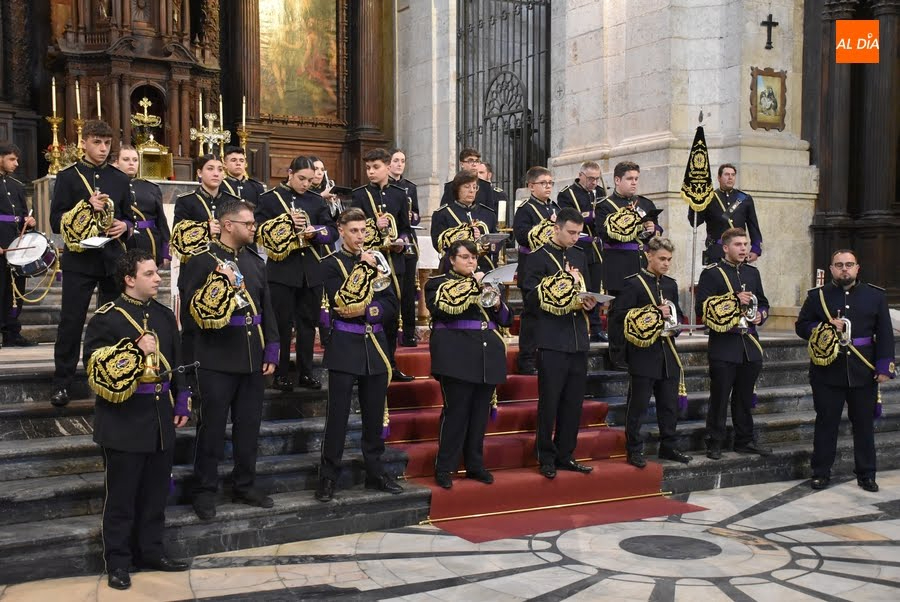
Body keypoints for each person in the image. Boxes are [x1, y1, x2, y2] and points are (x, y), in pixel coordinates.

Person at [82, 249, 191, 590]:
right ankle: (118, 561)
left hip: (160, 418)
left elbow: (176, 361)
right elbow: (95, 370)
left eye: (157, 272)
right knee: (122, 499)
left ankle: (151, 551)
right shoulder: (106, 318)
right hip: (123, 421)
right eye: (149, 273)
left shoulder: (163, 315)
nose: (158, 278)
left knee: (156, 494)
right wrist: (134, 349)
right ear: (129, 279)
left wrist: (182, 400)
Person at [180, 198, 279, 519]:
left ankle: (244, 485)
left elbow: (266, 306)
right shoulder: (201, 260)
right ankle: (204, 490)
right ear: (227, 225)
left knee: (248, 428)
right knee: (211, 430)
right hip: (216, 357)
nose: (253, 228)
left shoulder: (254, 262)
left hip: (252, 357)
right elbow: (191, 315)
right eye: (248, 223)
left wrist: (272, 345)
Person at [315, 208, 403, 501]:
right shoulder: (330, 263)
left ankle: (375, 473)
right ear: (341, 231)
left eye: (364, 231)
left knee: (374, 415)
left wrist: (369, 311)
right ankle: (328, 477)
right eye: (354, 231)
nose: (360, 236)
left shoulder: (377, 260)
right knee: (337, 417)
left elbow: (390, 302)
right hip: (344, 344)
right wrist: (363, 270)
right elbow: (341, 302)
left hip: (374, 345)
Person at [796, 250, 896, 492]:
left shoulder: (875, 296)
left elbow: (884, 333)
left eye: (849, 264)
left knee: (864, 426)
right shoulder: (817, 296)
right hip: (827, 371)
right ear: (831, 269)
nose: (844, 269)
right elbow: (801, 326)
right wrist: (823, 327)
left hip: (863, 370)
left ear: (857, 268)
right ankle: (821, 472)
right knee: (826, 424)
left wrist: (885, 366)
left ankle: (866, 474)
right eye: (839, 265)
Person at [49, 120, 133, 407]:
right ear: (84, 142)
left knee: (111, 322)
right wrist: (86, 207)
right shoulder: (68, 177)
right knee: (71, 322)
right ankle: (62, 383)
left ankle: (109, 379)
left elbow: (128, 216)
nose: (103, 148)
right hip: (79, 260)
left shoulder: (119, 178)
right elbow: (55, 221)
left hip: (111, 260)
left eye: (107, 143)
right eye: (97, 142)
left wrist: (125, 226)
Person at [425, 239, 513, 489]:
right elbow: (442, 310)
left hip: (487, 355)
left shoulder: (487, 282)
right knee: (456, 413)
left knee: (479, 415)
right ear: (452, 260)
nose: (471, 262)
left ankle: (475, 464)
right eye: (465, 257)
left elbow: (506, 319)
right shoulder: (437, 283)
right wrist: (474, 286)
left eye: (474, 257)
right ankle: (445, 467)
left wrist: (497, 301)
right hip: (456, 355)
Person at [522, 207, 599, 478]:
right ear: (556, 228)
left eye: (579, 233)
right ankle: (545, 456)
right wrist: (562, 283)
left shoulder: (579, 255)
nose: (576, 238)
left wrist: (589, 302)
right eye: (571, 232)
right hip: (552, 338)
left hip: (578, 337)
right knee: (550, 402)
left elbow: (585, 290)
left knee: (573, 403)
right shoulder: (537, 258)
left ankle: (566, 454)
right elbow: (530, 299)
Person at [255, 156, 336, 391]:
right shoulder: (269, 199)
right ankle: (280, 373)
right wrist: (284, 223)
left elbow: (332, 230)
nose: (306, 184)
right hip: (282, 271)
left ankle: (306, 372)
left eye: (310, 180)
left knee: (308, 324)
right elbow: (258, 231)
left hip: (311, 270)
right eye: (301, 178)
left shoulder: (315, 200)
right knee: (281, 324)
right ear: (290, 173)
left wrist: (315, 232)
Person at [614, 237, 692, 468]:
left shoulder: (670, 285)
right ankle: (634, 449)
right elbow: (620, 317)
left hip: (668, 352)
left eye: (669, 259)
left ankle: (669, 446)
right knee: (637, 406)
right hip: (643, 353)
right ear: (648, 255)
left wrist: (676, 321)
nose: (666, 263)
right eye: (662, 259)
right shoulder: (633, 283)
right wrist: (654, 313)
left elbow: (677, 312)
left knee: (669, 405)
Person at [696, 227, 771, 459]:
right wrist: (733, 300)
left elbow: (763, 302)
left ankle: (744, 440)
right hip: (724, 344)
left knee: (744, 398)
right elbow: (701, 309)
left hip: (749, 344)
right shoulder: (711, 274)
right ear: (726, 248)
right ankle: (715, 442)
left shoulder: (752, 273)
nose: (744, 248)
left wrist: (761, 315)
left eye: (745, 244)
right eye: (738, 245)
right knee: (720, 398)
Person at [351, 148, 414, 382]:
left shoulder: (399, 195)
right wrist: (373, 226)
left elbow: (406, 228)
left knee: (391, 315)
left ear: (388, 167)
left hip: (394, 262)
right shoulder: (359, 195)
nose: (371, 172)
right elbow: (351, 228)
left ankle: (390, 365)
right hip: (370, 263)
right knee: (370, 312)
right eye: (368, 168)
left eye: (375, 167)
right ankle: (368, 364)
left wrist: (402, 242)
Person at [596, 161, 662, 370]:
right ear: (617, 180)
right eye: (629, 179)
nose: (634, 183)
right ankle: (617, 357)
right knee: (619, 313)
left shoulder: (645, 203)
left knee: (642, 310)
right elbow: (604, 234)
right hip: (618, 264)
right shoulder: (605, 205)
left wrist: (653, 228)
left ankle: (640, 353)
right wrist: (632, 224)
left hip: (641, 262)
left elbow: (657, 232)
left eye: (636, 179)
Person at [512, 166, 559, 374]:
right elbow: (522, 236)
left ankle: (546, 356)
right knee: (532, 315)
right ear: (531, 186)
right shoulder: (525, 209)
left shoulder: (554, 207)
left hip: (551, 267)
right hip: (531, 267)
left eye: (550, 183)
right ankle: (527, 359)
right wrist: (547, 226)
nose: (548, 186)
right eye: (543, 183)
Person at [558, 161, 607, 342]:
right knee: (580, 288)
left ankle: (596, 328)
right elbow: (568, 217)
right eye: (590, 178)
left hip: (597, 248)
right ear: (581, 175)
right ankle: (579, 327)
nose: (594, 182)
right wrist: (590, 215)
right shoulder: (567, 194)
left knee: (595, 288)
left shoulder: (601, 193)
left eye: (597, 179)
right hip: (578, 247)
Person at [0, 142, 36, 348]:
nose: (16, 163)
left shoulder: (16, 185)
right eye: (12, 159)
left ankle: (12, 332)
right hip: (1, 242)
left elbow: (23, 214)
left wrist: (29, 222)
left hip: (16, 244)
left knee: (16, 290)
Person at [688, 164, 763, 264]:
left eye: (733, 175)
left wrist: (756, 249)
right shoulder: (709, 198)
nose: (730, 177)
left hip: (737, 251)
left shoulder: (745, 199)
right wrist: (694, 201)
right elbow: (695, 222)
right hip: (716, 251)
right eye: (727, 174)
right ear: (719, 178)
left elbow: (753, 226)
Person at [431, 170, 499, 274]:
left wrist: (483, 242)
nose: (472, 191)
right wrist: (467, 235)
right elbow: (438, 244)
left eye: (474, 187)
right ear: (457, 189)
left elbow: (497, 242)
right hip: (454, 271)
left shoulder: (488, 214)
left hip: (484, 268)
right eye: (467, 187)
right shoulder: (443, 214)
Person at [112, 146, 171, 266]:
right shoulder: (111, 186)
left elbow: (161, 221)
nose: (131, 163)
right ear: (117, 162)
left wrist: (166, 251)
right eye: (126, 159)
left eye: (135, 160)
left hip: (149, 240)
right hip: (123, 240)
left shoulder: (151, 187)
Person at [388, 148, 421, 347]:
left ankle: (409, 333)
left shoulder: (410, 187)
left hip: (407, 240)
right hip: (390, 240)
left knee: (408, 291)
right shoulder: (384, 187)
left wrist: (412, 216)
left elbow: (416, 214)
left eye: (402, 160)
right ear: (388, 164)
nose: (400, 164)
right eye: (396, 160)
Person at [439, 148, 500, 212]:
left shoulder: (485, 186)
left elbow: (490, 212)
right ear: (462, 164)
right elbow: (444, 212)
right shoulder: (451, 186)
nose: (474, 164)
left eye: (477, 161)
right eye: (470, 161)